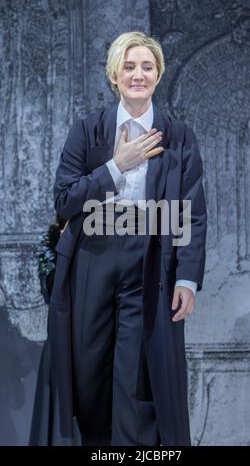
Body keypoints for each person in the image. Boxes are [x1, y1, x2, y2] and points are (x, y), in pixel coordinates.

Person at [29, 31, 207, 446]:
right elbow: (64, 200)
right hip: (91, 260)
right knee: (89, 378)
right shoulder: (88, 130)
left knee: (135, 380)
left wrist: (186, 279)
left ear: (158, 74)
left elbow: (192, 213)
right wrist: (116, 166)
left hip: (148, 263)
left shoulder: (178, 135)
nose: (138, 74)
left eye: (147, 66)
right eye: (129, 66)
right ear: (114, 75)